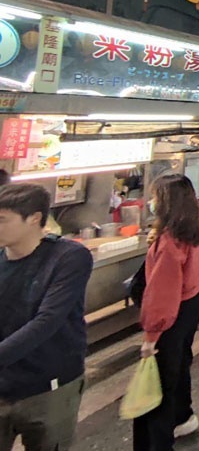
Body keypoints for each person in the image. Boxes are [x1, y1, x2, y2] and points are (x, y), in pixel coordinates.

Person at [0, 184, 92, 451]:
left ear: (34, 219)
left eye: (3, 220)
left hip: (50, 386)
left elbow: (47, 320)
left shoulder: (69, 257)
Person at [135, 175, 199, 449]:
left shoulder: (170, 241)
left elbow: (161, 294)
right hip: (192, 302)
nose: (152, 202)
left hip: (173, 314)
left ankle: (158, 442)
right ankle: (183, 415)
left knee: (158, 387)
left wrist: (151, 336)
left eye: (154, 197)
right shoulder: (192, 229)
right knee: (178, 366)